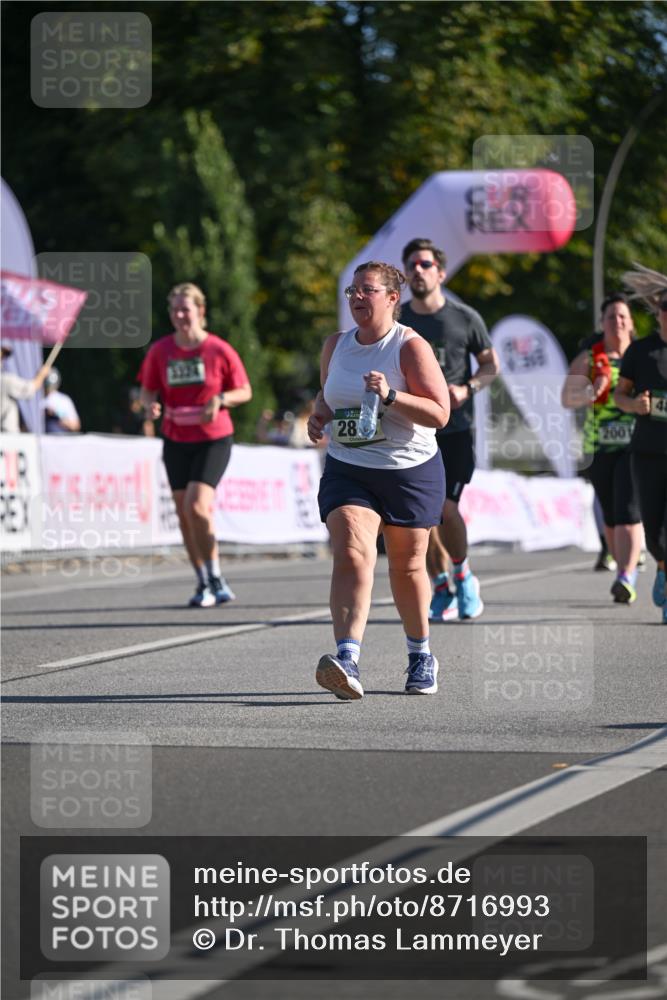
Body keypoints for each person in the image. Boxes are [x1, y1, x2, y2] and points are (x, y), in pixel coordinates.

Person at [307, 261, 449, 699]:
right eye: (352, 290)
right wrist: (319, 414)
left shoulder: (409, 347)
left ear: (392, 298)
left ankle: (420, 654)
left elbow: (440, 413)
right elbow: (328, 393)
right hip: (349, 466)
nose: (356, 297)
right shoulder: (336, 345)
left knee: (407, 566)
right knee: (351, 552)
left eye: (367, 290)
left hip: (408, 469)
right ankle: (347, 658)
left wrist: (390, 394)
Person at [399, 237, 499, 621]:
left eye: (425, 264)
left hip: (454, 428)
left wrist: (467, 388)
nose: (418, 270)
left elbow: (490, 365)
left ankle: (463, 576)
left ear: (440, 272)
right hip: (410, 429)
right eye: (412, 265)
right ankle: (441, 585)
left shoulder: (464, 318)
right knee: (419, 515)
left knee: (445, 507)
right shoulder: (397, 320)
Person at [139, 282, 252, 607]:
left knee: (197, 506)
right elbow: (147, 389)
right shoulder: (160, 351)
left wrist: (220, 399)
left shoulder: (218, 349)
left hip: (213, 439)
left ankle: (216, 576)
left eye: (185, 309)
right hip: (175, 438)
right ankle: (203, 579)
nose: (179, 315)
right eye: (174, 310)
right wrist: (150, 406)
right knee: (183, 513)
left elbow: (245, 391)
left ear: (200, 311)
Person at [562, 294, 642, 603]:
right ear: (602, 323)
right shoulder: (590, 357)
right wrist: (591, 392)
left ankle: (627, 575)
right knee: (610, 514)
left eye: (622, 316)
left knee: (627, 510)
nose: (617, 322)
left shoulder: (642, 356)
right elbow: (566, 398)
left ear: (631, 323)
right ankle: (622, 569)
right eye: (611, 317)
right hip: (599, 447)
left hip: (635, 446)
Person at [615, 264, 667, 624]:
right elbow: (620, 395)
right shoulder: (641, 351)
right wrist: (635, 405)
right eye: (665, 307)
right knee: (654, 530)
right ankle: (661, 565)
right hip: (647, 451)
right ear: (657, 311)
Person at [0, 344, 54, 432]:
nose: (2, 359)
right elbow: (30, 388)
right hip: (6, 435)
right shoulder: (6, 380)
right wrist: (42, 374)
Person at [40, 368, 81, 433]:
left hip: (60, 435)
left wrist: (57, 416)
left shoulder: (64, 400)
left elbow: (76, 425)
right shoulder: (36, 399)